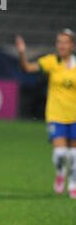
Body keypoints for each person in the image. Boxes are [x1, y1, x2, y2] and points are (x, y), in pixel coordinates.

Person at [16, 29, 76, 199]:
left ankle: (72, 184)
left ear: (72, 45)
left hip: (74, 115)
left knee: (74, 155)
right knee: (60, 154)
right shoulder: (52, 61)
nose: (62, 45)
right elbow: (27, 68)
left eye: (65, 42)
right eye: (59, 42)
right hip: (56, 114)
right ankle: (60, 172)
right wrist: (22, 53)